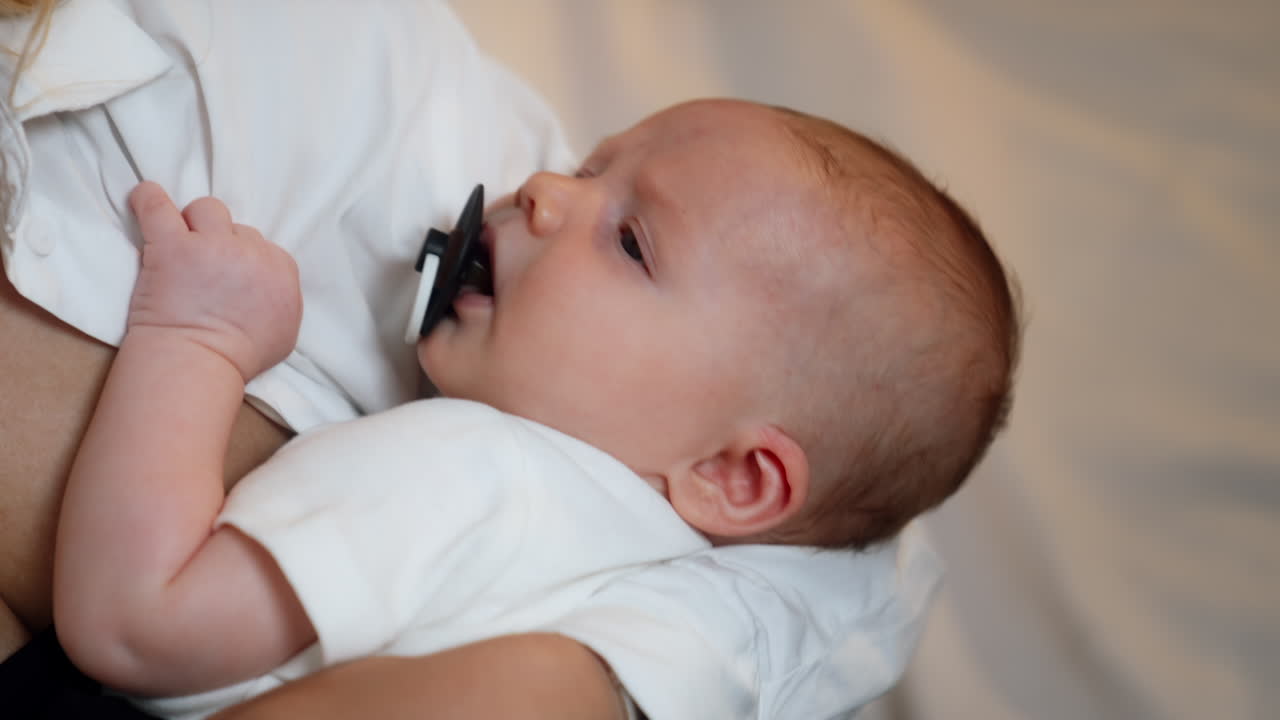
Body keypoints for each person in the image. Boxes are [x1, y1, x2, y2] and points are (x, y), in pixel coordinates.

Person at [0, 1, 965, 718]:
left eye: (631, 242)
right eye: (591, 167)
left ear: (732, 473)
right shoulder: (646, 573)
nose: (543, 187)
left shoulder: (485, 474)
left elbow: (135, 623)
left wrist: (196, 341)